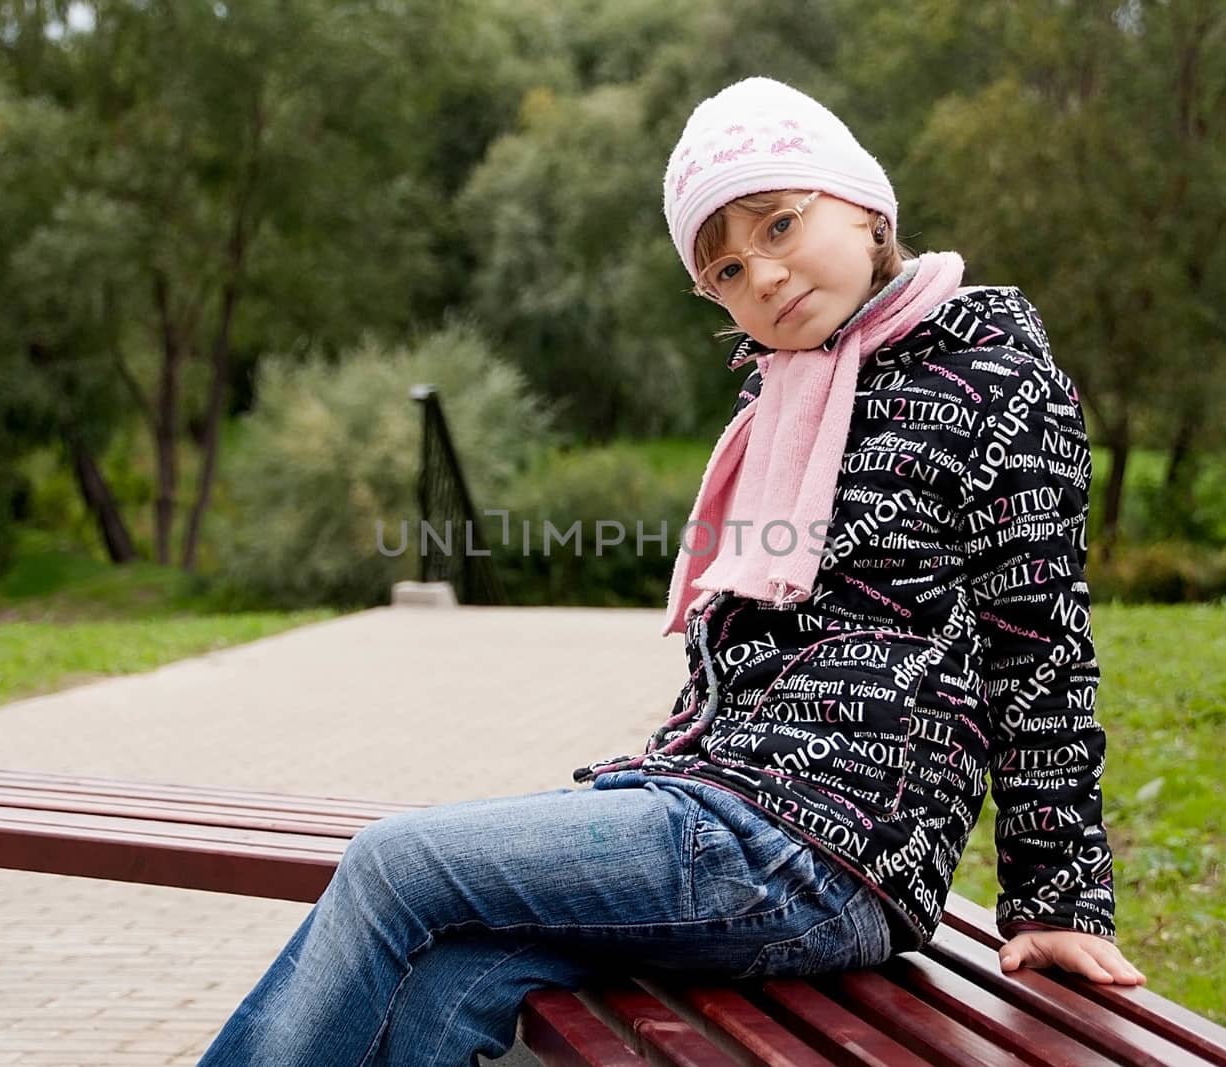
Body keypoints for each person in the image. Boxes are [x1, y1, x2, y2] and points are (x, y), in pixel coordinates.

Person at [197, 76, 1145, 1067]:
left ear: (865, 205)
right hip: (731, 810)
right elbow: (731, 656)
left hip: (827, 850)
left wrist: (1057, 895)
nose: (764, 276)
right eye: (728, 269)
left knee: (393, 865)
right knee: (451, 967)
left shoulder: (994, 375)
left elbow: (1037, 644)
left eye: (780, 223)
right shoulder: (790, 401)